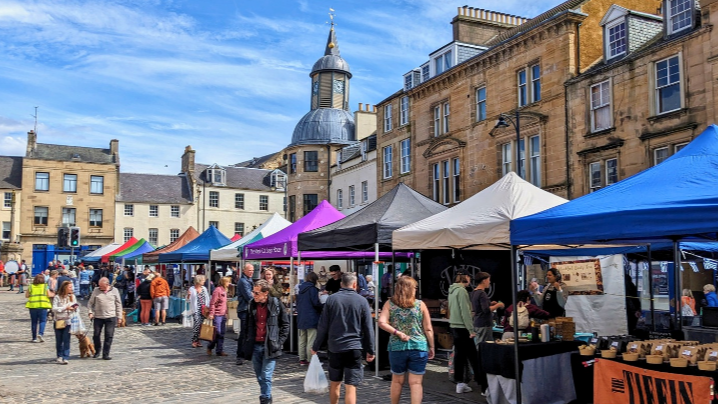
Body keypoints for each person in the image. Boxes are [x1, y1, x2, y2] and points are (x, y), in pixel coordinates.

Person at [312, 273, 375, 404]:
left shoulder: (331, 300)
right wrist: (371, 350)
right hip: (354, 347)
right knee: (351, 386)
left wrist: (316, 346)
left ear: (341, 284)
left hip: (335, 347)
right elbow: (368, 328)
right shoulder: (362, 301)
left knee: (335, 383)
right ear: (355, 285)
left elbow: (323, 325)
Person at [378, 276, 434, 404]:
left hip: (397, 347)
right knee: (415, 383)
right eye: (415, 287)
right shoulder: (420, 305)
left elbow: (381, 322)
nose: (416, 290)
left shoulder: (390, 304)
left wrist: (397, 333)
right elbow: (428, 328)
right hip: (418, 346)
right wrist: (432, 346)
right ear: (410, 289)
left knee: (397, 381)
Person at [240, 279, 290, 404]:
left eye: (257, 293)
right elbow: (247, 325)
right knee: (259, 376)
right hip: (255, 345)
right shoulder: (252, 304)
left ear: (265, 293)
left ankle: (265, 399)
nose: (254, 295)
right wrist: (246, 341)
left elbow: (285, 324)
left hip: (270, 345)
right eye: (253, 292)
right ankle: (267, 395)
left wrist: (279, 342)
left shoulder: (275, 303)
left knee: (266, 376)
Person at [448, 273, 480, 394]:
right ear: (465, 277)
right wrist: (471, 330)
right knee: (472, 355)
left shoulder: (451, 290)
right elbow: (465, 311)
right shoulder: (461, 291)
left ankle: (460, 381)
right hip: (462, 327)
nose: (470, 280)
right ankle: (480, 381)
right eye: (469, 277)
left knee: (460, 355)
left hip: (454, 325)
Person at [88, 277, 122, 360]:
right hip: (98, 317)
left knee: (109, 335)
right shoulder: (96, 290)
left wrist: (119, 317)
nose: (100, 287)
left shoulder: (114, 291)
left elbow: (118, 304)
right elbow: (90, 303)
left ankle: (105, 354)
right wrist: (90, 312)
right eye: (99, 285)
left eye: (101, 286)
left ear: (107, 284)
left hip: (110, 317)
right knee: (96, 335)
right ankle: (97, 350)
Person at [296, 271, 323, 365]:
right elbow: (315, 303)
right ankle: (310, 359)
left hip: (301, 317)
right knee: (311, 339)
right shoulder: (313, 289)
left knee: (302, 339)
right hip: (311, 317)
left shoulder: (300, 289)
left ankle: (302, 358)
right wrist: (322, 306)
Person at [471, 272, 504, 345]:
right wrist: (498, 305)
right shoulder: (482, 293)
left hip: (477, 323)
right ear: (484, 281)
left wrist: (490, 303)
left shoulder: (474, 292)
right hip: (484, 324)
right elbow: (486, 310)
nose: (489, 282)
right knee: (485, 346)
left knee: (480, 344)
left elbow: (478, 306)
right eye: (488, 280)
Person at [52, 281, 78, 364]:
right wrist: (65, 308)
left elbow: (75, 306)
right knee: (59, 339)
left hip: (68, 321)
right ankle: (59, 355)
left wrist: (74, 308)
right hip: (59, 320)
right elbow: (54, 308)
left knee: (66, 339)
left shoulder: (72, 297)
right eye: (70, 287)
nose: (71, 289)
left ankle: (65, 356)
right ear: (65, 287)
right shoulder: (57, 297)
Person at [236, 263, 255, 366]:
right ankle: (240, 355)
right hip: (244, 310)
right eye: (249, 270)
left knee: (248, 333)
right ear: (244, 271)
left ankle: (246, 353)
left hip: (247, 310)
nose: (251, 272)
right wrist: (253, 294)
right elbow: (249, 297)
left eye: (252, 270)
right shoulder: (243, 281)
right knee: (243, 333)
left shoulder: (249, 280)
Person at [207, 276, 231, 356]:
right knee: (217, 332)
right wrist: (211, 313)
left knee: (222, 333)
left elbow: (224, 304)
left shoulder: (225, 291)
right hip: (217, 315)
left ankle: (219, 350)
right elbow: (213, 303)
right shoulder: (218, 290)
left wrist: (226, 313)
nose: (229, 283)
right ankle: (210, 346)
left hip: (223, 314)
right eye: (227, 282)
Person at [26, 274, 52, 343]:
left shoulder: (31, 286)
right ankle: (40, 333)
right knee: (42, 321)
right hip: (42, 306)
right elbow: (49, 294)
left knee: (34, 322)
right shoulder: (45, 286)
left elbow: (27, 295)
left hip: (33, 306)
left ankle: (34, 338)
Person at [187, 275, 210, 347]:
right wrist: (188, 296)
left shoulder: (204, 289)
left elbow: (207, 298)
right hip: (196, 309)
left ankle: (198, 340)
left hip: (204, 310)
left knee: (201, 326)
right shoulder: (192, 289)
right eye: (203, 280)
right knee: (197, 324)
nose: (204, 281)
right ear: (199, 281)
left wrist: (208, 307)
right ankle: (194, 340)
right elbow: (188, 300)